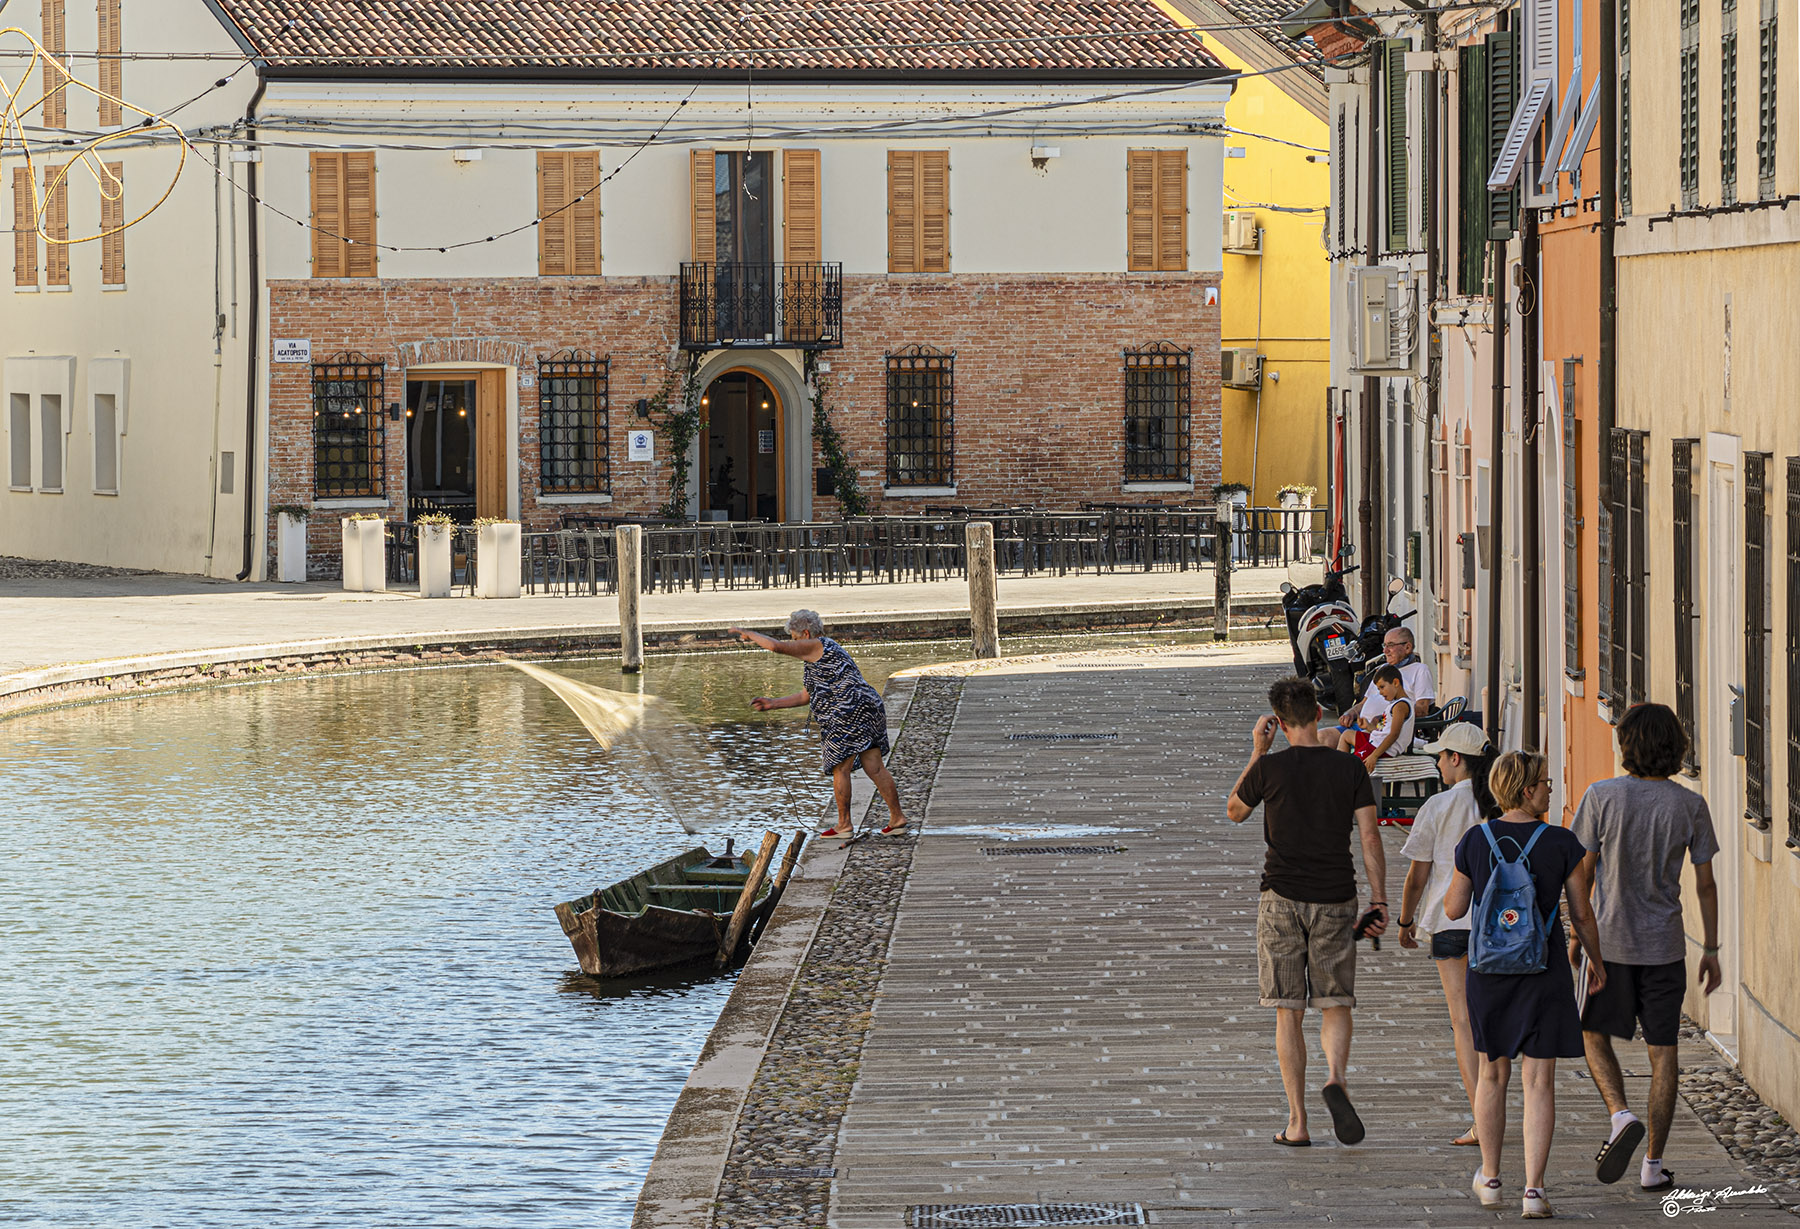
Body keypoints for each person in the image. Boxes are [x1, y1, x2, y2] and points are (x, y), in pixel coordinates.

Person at [1227, 677, 1388, 1148]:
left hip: (1280, 898)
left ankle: (1297, 1123)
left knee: (1288, 1010)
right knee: (1335, 1001)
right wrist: (1379, 899)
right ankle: (1335, 1076)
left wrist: (1258, 751)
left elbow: (1235, 811)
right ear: (1319, 714)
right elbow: (1370, 836)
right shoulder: (1349, 768)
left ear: (1280, 723)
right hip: (1336, 897)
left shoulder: (1270, 768)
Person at [1445, 751, 1606, 1220]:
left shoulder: (1476, 839)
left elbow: (1454, 909)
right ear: (1527, 789)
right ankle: (1534, 1191)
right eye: (1545, 783)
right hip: (1544, 969)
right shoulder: (1561, 842)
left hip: (1489, 972)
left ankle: (1491, 1178)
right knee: (1539, 1082)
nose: (1550, 790)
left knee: (1491, 1074)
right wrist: (1596, 963)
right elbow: (1581, 914)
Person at [1570, 702, 1721, 1193]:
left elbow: (1582, 876)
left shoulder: (1601, 796)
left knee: (1593, 1034)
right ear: (1675, 747)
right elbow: (1705, 885)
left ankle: (1620, 1115)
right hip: (1664, 948)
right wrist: (1711, 948)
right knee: (1664, 1053)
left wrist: (1576, 936)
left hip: (1608, 945)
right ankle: (1653, 1165)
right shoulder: (1690, 806)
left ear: (1627, 746)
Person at [1395, 722, 1498, 1148]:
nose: (1438, 763)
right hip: (1498, 926)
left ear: (1457, 759)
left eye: (1441, 756)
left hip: (1449, 923)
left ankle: (1481, 1119)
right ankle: (1497, 1106)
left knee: (1462, 1022)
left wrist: (1405, 922)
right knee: (1492, 1022)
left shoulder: (1437, 806)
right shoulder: (1500, 803)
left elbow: (1417, 875)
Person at [730, 610, 907, 839]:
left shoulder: (816, 645)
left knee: (840, 768)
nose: (794, 643)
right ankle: (897, 818)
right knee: (874, 767)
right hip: (868, 707)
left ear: (805, 634)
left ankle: (843, 825)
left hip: (847, 712)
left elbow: (776, 647)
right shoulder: (824, 652)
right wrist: (772, 703)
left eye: (795, 638)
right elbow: (806, 696)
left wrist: (749, 633)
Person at [1335, 627, 1435, 754]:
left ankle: (1345, 766)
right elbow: (1363, 704)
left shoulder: (1420, 670)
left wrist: (1384, 718)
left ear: (1407, 647)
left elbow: (1422, 710)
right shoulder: (1383, 669)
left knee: (1344, 740)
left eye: (1391, 645)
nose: (1385, 651)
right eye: (1384, 645)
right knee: (1323, 737)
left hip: (1380, 732)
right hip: (1363, 726)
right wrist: (1349, 713)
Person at [1349, 664, 1413, 772]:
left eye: (1382, 687)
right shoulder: (1394, 704)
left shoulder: (1400, 706)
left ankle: (1343, 773)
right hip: (1377, 741)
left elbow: (1394, 734)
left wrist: (1374, 755)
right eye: (1378, 689)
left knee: (1352, 766)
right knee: (1346, 735)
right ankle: (1341, 765)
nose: (1380, 692)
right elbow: (1384, 731)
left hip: (1383, 748)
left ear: (1395, 683)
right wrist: (1368, 727)